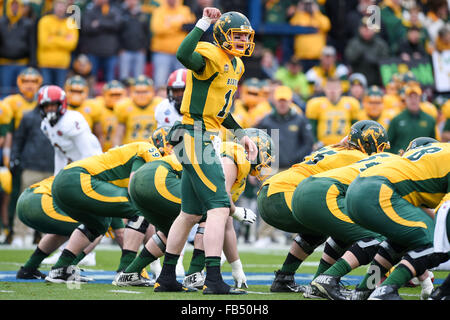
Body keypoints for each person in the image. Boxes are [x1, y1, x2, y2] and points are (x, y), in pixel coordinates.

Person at [154, 7, 258, 295]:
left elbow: (221, 111)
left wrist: (242, 135)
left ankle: (166, 277)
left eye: (245, 37)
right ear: (222, 35)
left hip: (204, 135)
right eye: (236, 36)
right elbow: (183, 55)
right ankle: (213, 278)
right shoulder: (210, 55)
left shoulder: (236, 66)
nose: (241, 41)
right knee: (219, 207)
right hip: (193, 133)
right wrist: (203, 23)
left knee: (188, 213)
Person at [114, 128, 259, 288]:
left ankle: (131, 273)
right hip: (160, 176)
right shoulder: (232, 153)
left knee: (170, 233)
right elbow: (219, 207)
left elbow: (227, 225)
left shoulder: (228, 160)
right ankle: (194, 274)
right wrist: (236, 211)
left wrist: (236, 266)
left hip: (144, 181)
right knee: (209, 213)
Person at [262, 120, 387, 293]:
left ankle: (285, 278)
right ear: (368, 142)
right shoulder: (359, 158)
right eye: (380, 146)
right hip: (287, 194)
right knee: (359, 231)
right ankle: (324, 281)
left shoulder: (333, 149)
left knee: (320, 229)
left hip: (271, 191)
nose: (381, 151)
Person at [344, 138, 450, 300]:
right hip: (378, 190)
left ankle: (365, 289)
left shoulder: (435, 157)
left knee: (399, 243)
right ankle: (385, 291)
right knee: (433, 240)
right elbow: (444, 211)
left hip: (359, 189)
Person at [44, 141, 162, 283]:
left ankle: (61, 269)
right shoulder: (148, 150)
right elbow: (134, 189)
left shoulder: (137, 150)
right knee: (140, 207)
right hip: (79, 178)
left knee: (99, 224)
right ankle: (126, 272)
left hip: (65, 180)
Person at [15, 175, 125, 280]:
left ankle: (28, 269)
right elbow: (120, 233)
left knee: (65, 230)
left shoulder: (92, 171)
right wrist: (130, 266)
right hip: (40, 203)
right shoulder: (105, 185)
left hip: (27, 198)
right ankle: (63, 269)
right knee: (97, 227)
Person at [37, 85, 103, 175]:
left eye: (53, 105)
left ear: (61, 105)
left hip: (93, 166)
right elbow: (60, 153)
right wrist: (57, 176)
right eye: (46, 106)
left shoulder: (71, 120)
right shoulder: (45, 125)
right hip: (76, 165)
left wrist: (81, 175)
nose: (49, 109)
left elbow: (88, 153)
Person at [150, 0, 195, 89]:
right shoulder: (159, 11)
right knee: (160, 82)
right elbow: (157, 29)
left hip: (181, 54)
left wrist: (169, 25)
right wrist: (178, 26)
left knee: (183, 82)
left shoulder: (185, 10)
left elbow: (190, 27)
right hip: (162, 53)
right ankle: (160, 101)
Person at [305, 77, 360, 149]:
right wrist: (315, 143)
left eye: (335, 88)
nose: (332, 91)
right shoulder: (316, 104)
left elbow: (356, 128)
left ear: (341, 89)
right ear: (324, 89)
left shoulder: (351, 103)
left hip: (345, 146)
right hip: (323, 147)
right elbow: (312, 128)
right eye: (330, 88)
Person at [37, 0, 79, 87]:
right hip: (45, 63)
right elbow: (44, 42)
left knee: (60, 91)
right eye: (58, 5)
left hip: (62, 65)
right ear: (53, 6)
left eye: (62, 6)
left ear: (66, 8)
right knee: (46, 90)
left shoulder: (71, 22)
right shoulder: (44, 21)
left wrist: (52, 38)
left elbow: (72, 45)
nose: (60, 8)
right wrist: (64, 39)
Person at [387, 84, 438, 154]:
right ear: (406, 99)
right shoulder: (396, 120)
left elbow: (435, 143)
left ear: (420, 99)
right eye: (410, 97)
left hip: (423, 159)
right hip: (401, 160)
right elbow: (388, 145)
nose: (413, 100)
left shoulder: (430, 120)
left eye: (416, 97)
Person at [113, 75, 163, 146]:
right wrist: (116, 149)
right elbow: (118, 134)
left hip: (153, 149)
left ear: (152, 91)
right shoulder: (124, 106)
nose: (141, 95)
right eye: (138, 92)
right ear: (131, 92)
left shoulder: (159, 105)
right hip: (131, 149)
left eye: (144, 92)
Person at [0, 0, 36, 97]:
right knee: (5, 92)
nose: (14, 8)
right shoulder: (1, 22)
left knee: (21, 92)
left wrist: (32, 62)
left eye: (17, 5)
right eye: (12, 5)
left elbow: (32, 44)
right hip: (4, 64)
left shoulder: (27, 24)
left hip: (22, 63)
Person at [80, 0, 122, 82]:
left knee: (110, 79)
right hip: (93, 51)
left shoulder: (113, 9)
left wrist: (99, 23)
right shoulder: (90, 10)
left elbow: (117, 25)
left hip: (110, 51)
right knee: (91, 78)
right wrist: (108, 25)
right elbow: (86, 28)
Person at [345, 17, 390, 86]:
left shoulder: (380, 44)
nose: (366, 30)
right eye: (364, 28)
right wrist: (359, 55)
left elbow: (385, 63)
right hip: (357, 83)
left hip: (376, 82)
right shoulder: (354, 43)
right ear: (359, 29)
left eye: (369, 28)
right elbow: (348, 58)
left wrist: (374, 60)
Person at [290, 0, 331, 72]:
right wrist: (299, 10)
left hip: (317, 57)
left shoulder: (318, 16)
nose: (308, 6)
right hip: (301, 57)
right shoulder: (300, 16)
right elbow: (292, 25)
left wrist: (316, 12)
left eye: (310, 4)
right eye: (305, 4)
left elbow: (326, 25)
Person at [64, 76, 104, 145]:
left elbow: (99, 135)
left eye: (79, 91)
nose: (76, 95)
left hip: (86, 147)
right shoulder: (60, 107)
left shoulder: (92, 106)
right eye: (73, 91)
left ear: (86, 91)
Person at [118, 0, 151, 81]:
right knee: (124, 78)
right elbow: (118, 32)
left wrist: (144, 47)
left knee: (139, 78)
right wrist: (120, 48)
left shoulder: (142, 15)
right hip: (125, 50)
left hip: (139, 50)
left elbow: (147, 33)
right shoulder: (121, 13)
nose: (131, 2)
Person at [97, 80, 127, 151]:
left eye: (118, 95)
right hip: (103, 150)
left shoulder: (128, 107)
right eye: (112, 95)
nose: (115, 98)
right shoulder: (97, 107)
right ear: (104, 95)